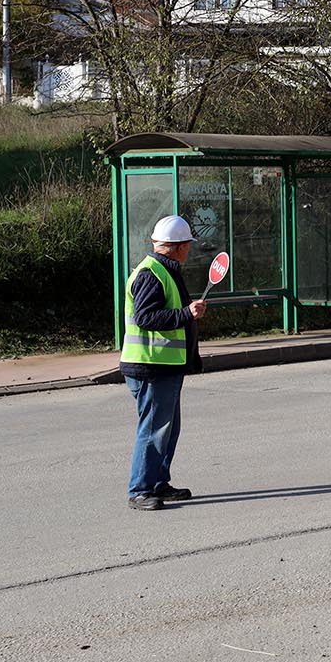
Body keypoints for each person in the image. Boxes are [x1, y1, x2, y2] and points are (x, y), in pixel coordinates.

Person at [120, 215, 206, 511]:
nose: (189, 250)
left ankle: (158, 484)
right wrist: (186, 314)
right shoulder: (151, 273)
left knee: (167, 429)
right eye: (187, 245)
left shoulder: (163, 270)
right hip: (151, 367)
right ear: (178, 247)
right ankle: (140, 489)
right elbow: (146, 317)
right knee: (154, 429)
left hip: (162, 366)